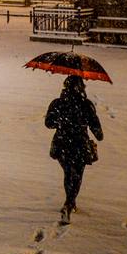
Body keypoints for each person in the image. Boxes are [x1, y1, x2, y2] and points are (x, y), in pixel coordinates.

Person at [45, 75, 104, 223]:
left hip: (62, 143)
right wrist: (97, 133)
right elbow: (97, 129)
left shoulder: (57, 103)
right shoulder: (86, 104)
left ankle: (70, 202)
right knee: (77, 175)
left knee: (68, 173)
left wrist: (62, 121)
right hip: (79, 144)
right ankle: (69, 203)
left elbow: (48, 123)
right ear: (81, 88)